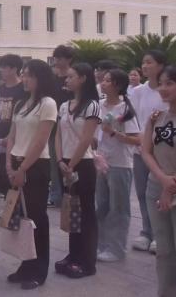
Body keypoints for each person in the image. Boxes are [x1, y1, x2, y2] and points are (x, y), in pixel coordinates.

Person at [5, 59, 57, 291]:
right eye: (24, 74)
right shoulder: (21, 104)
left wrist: (23, 169)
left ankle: (38, 270)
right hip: (17, 163)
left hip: (35, 166)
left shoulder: (48, 103)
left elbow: (40, 141)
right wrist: (9, 164)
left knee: (36, 219)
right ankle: (25, 265)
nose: (25, 79)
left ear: (41, 78)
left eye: (30, 75)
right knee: (21, 219)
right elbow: (12, 136)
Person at [55, 63, 101, 279]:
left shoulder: (92, 106)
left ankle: (87, 261)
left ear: (83, 78)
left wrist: (71, 164)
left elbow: (86, 139)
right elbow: (58, 135)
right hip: (64, 162)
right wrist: (59, 160)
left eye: (71, 76)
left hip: (82, 163)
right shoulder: (64, 105)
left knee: (86, 212)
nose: (67, 79)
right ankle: (73, 255)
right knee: (72, 210)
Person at [96, 69, 141, 262]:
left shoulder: (125, 109)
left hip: (120, 164)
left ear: (118, 85)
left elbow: (136, 140)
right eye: (103, 80)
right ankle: (101, 245)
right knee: (101, 206)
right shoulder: (99, 105)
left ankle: (116, 249)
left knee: (119, 208)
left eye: (108, 81)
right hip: (101, 162)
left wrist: (113, 132)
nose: (103, 83)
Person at [141, 65, 176, 297]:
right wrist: (162, 179)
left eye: (169, 83)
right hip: (156, 188)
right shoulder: (156, 118)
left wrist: (169, 186)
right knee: (163, 250)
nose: (163, 88)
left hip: (172, 188)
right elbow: (146, 151)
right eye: (161, 83)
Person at [131, 50, 169, 253]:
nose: (145, 66)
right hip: (141, 149)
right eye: (143, 62)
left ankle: (159, 234)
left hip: (162, 151)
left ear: (161, 65)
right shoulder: (138, 91)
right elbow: (134, 118)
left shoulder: (167, 91)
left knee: (161, 192)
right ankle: (146, 231)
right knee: (142, 192)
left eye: (149, 62)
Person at [0, 54, 27, 198]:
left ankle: (16, 205)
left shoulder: (23, 89)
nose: (1, 70)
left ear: (14, 69)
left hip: (16, 138)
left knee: (14, 175)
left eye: (4, 67)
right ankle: (8, 203)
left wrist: (10, 137)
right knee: (2, 174)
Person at [49, 45, 75, 207]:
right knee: (54, 160)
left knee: (69, 159)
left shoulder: (73, 77)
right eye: (55, 58)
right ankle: (56, 194)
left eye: (60, 58)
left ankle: (70, 193)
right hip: (53, 123)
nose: (56, 61)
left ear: (69, 59)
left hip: (70, 124)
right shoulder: (52, 78)